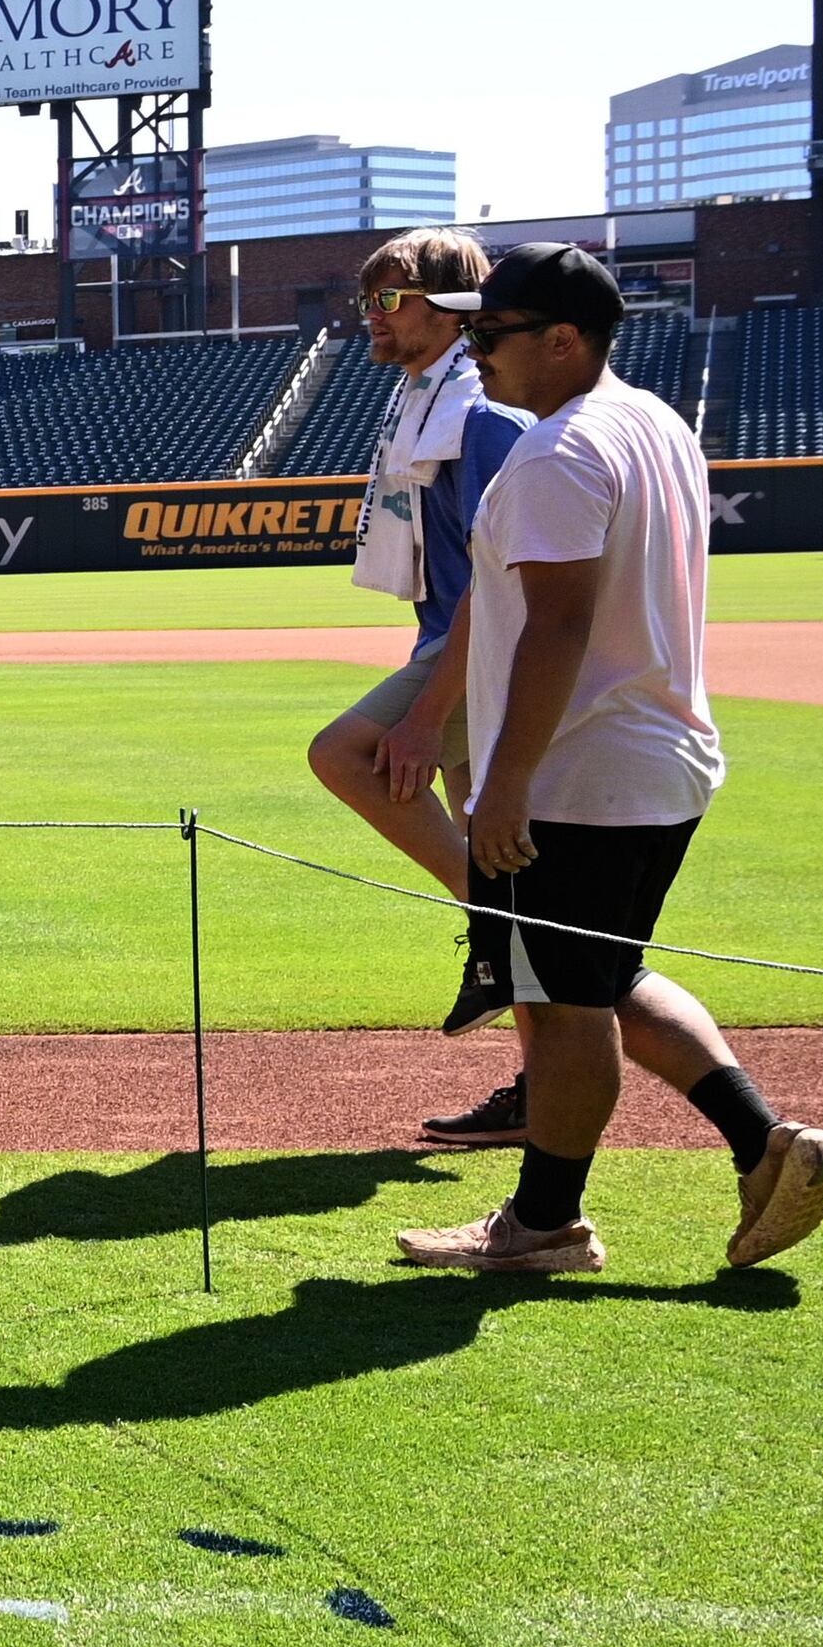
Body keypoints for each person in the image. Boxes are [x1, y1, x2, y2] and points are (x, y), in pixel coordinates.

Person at [394, 243, 823, 1274]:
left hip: (582, 773)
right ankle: (764, 1146)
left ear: (562, 340)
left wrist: (504, 780)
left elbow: (555, 627)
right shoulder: (650, 419)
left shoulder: (559, 451)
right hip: (662, 760)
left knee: (563, 1012)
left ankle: (542, 1226)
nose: (474, 353)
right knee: (600, 979)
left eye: (490, 333)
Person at [303, 229, 535, 1140]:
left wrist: (426, 710)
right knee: (512, 878)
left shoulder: (479, 416)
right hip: (451, 652)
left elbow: (499, 570)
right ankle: (530, 1078)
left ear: (448, 308)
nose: (372, 317)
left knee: (345, 754)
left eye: (388, 301)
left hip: (481, 658)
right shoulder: (421, 406)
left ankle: (491, 920)